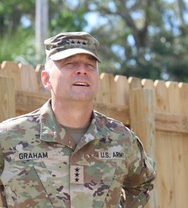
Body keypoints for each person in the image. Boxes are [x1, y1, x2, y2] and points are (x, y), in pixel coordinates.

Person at [0, 32, 156, 207]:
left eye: (90, 65)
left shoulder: (121, 139)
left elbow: (142, 184)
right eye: (70, 64)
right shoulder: (8, 137)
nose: (82, 70)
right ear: (46, 79)